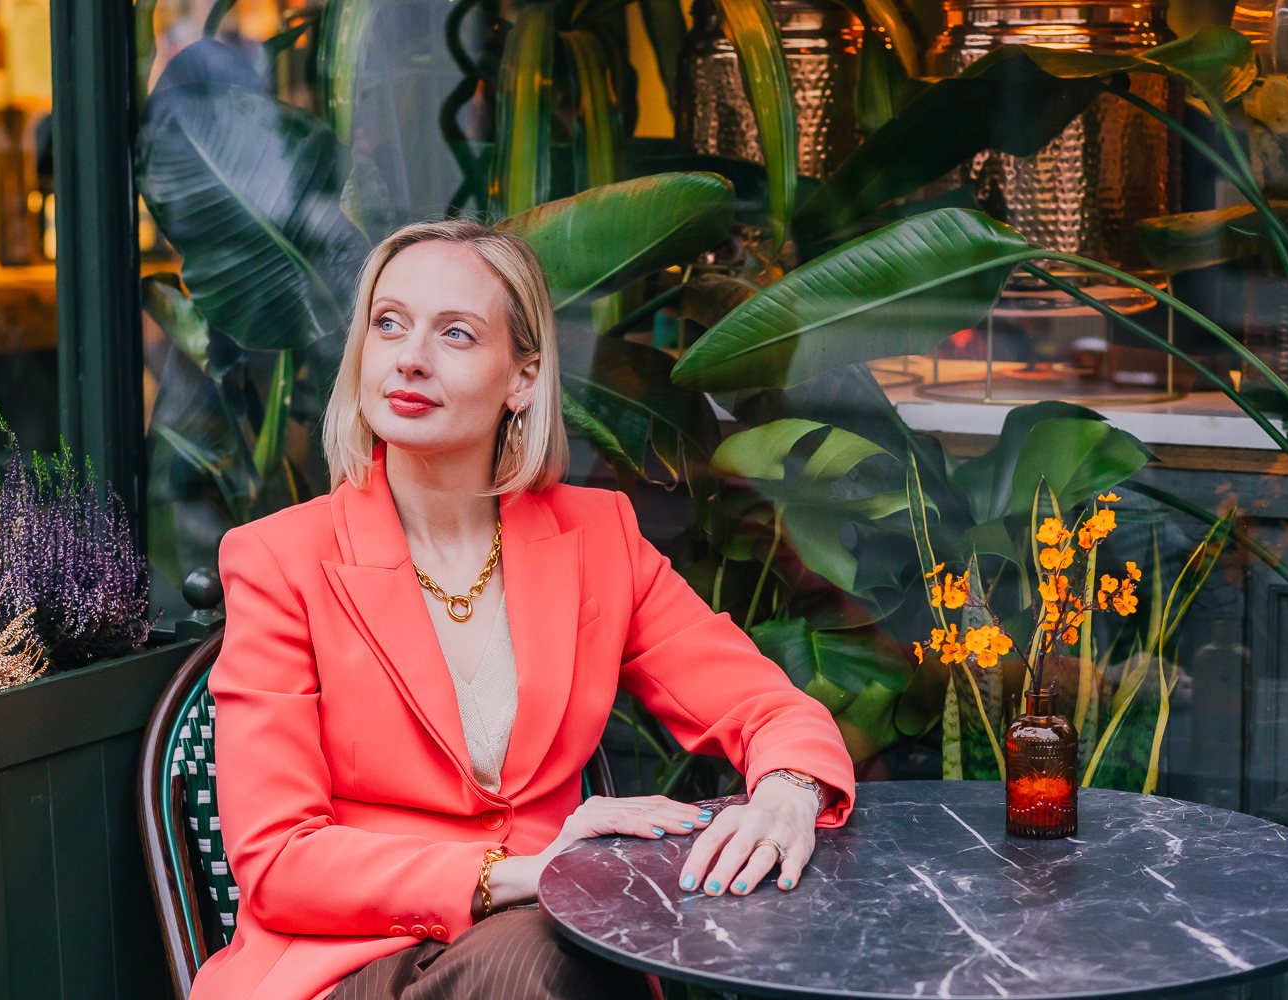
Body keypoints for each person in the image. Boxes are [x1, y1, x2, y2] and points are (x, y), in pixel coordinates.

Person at [189, 219, 858, 1000]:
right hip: (351, 964)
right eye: (389, 323)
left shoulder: (597, 538)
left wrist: (788, 791)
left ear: (524, 378)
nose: (410, 356)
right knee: (550, 965)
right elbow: (278, 861)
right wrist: (520, 874)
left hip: (550, 952)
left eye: (457, 334)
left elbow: (765, 705)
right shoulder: (278, 560)